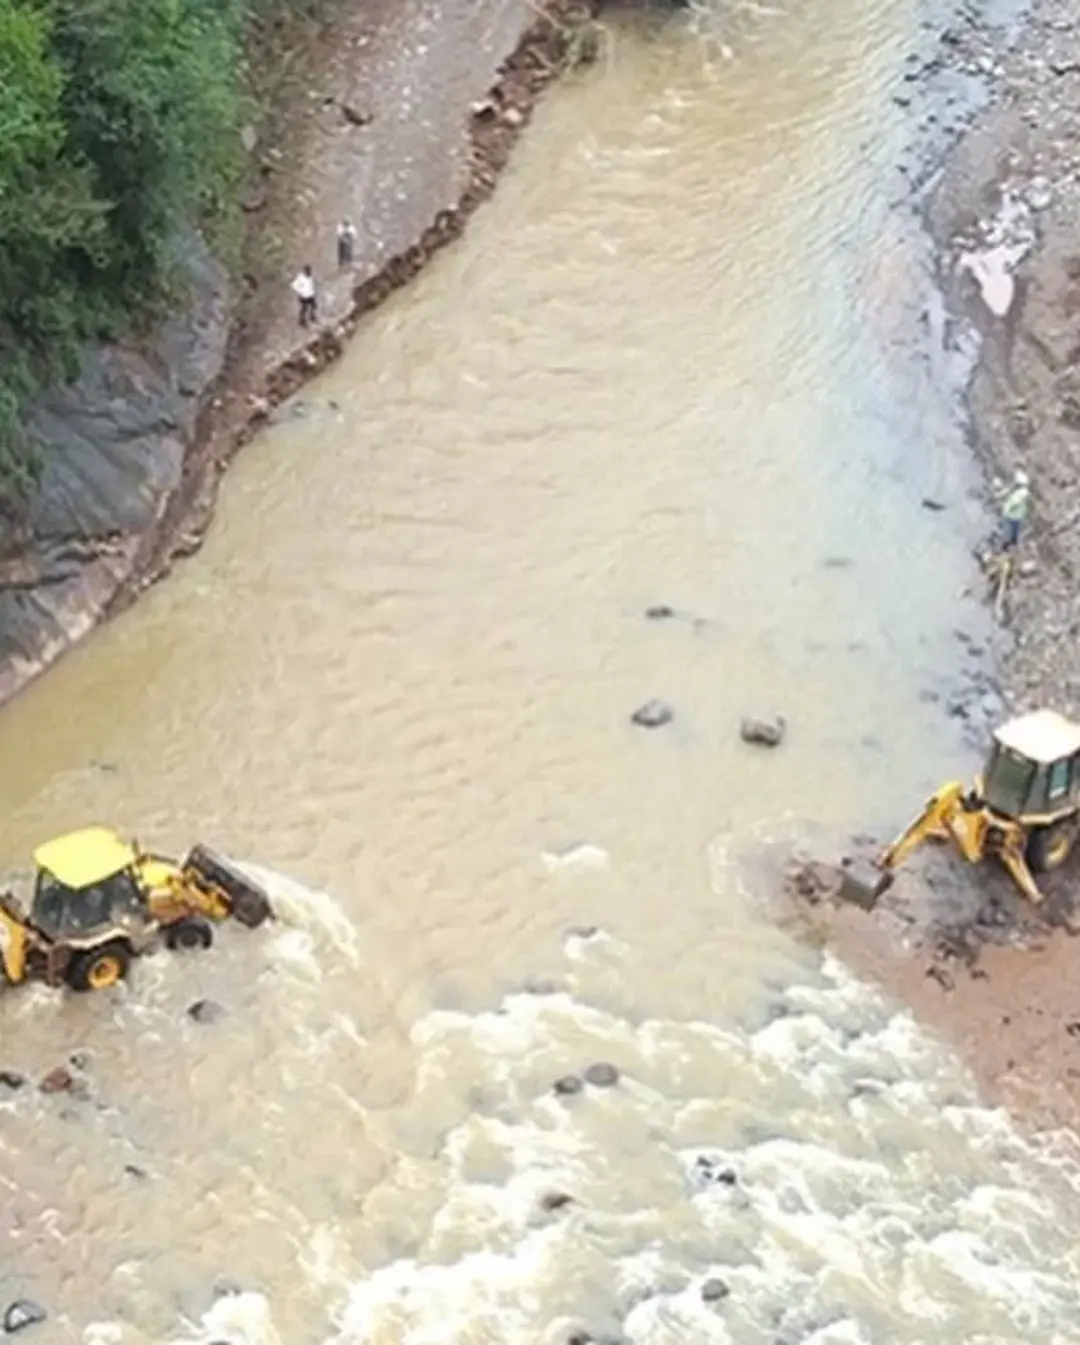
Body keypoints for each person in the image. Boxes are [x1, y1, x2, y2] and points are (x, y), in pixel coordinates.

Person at [1000, 468, 1031, 550]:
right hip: (1016, 515)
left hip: (1012, 515)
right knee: (1014, 530)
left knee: (1008, 531)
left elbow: (1014, 502)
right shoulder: (1022, 491)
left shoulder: (1021, 493)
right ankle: (1012, 542)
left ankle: (1008, 544)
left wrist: (1008, 508)